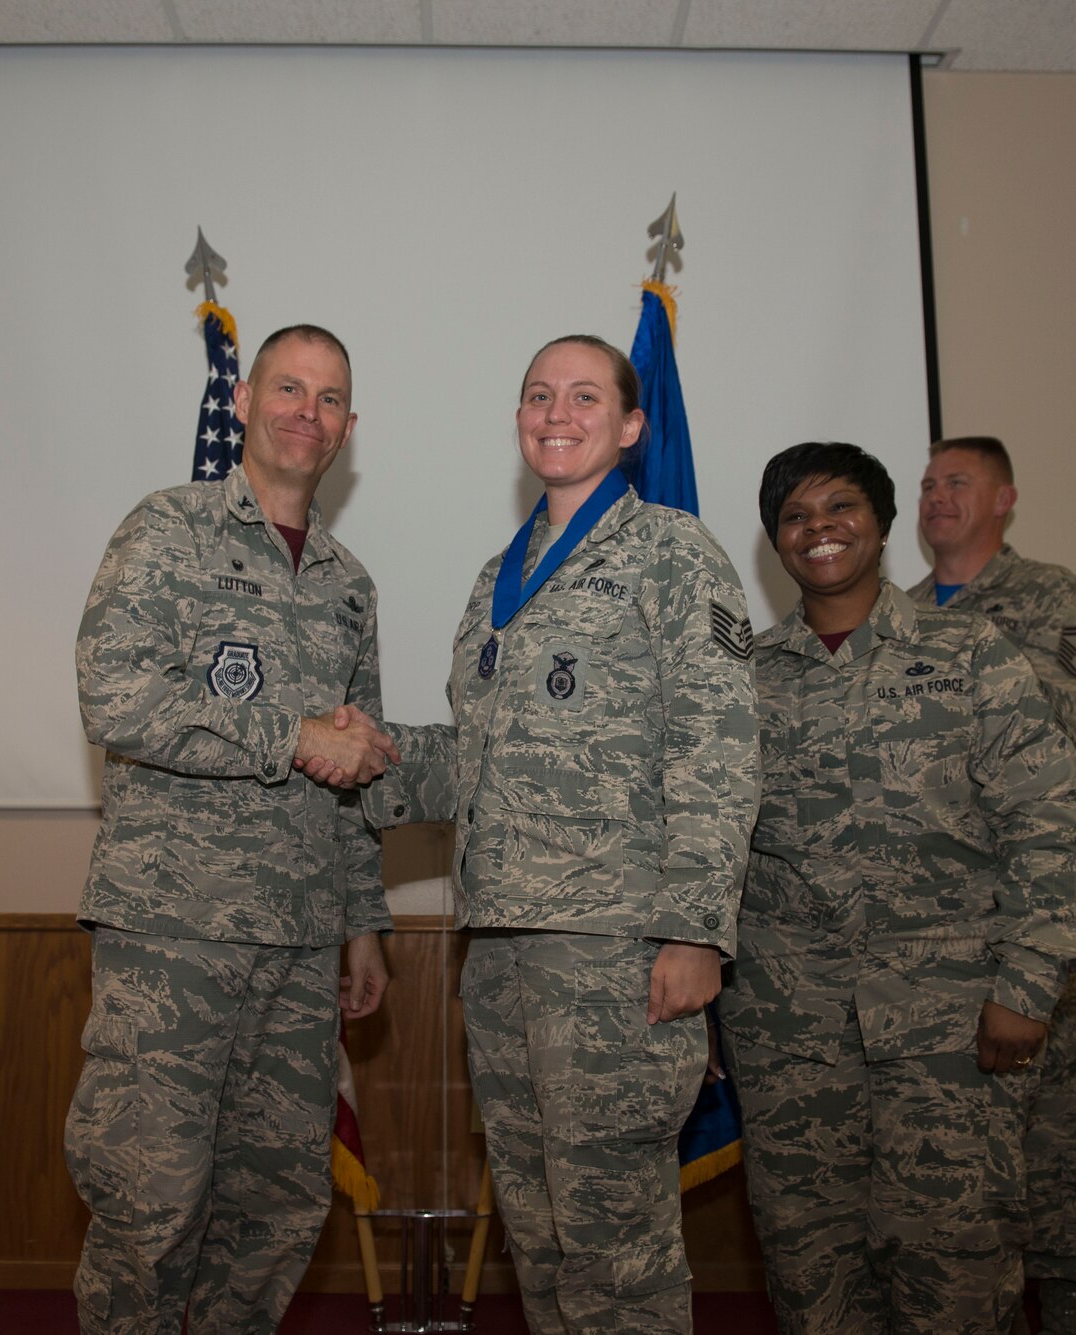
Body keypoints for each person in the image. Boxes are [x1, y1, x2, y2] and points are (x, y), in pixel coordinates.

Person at [336, 335, 759, 1334]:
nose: (555, 414)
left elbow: (718, 743)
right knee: (540, 1239)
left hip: (615, 951)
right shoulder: (499, 576)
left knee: (615, 1249)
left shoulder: (671, 552)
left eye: (582, 396)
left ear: (630, 424)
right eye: (537, 395)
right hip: (499, 953)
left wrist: (695, 929)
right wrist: (367, 750)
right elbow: (476, 759)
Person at [722, 442, 1076, 1334]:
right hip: (789, 1033)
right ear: (775, 542)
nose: (819, 529)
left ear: (883, 523)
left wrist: (1028, 984)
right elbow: (715, 842)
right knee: (811, 1270)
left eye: (841, 508)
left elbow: (1051, 819)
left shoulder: (969, 652)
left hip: (952, 1027)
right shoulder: (744, 676)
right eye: (795, 516)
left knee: (957, 1267)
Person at [65, 324, 400, 1334]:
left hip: (300, 943)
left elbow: (356, 766)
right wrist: (289, 735)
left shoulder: (348, 584)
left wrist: (363, 920)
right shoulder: (168, 529)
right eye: (288, 388)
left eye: (329, 398)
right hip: (174, 931)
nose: (307, 412)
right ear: (245, 400)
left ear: (348, 427)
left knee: (276, 1209)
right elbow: (116, 699)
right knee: (150, 1203)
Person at [910, 436, 1076, 1333]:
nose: (936, 496)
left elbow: (1050, 739)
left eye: (958, 481)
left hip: (1022, 913)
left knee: (1050, 1140)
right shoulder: (897, 611)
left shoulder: (1045, 597)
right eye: (927, 483)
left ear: (1005, 499)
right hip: (923, 934)